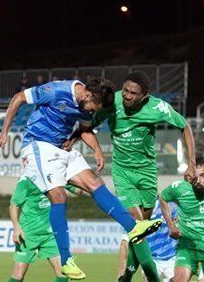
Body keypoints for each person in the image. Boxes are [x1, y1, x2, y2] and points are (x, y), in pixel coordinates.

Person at [0, 78, 162, 280]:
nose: (91, 111)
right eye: (93, 106)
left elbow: (84, 129)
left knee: (96, 183)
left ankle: (133, 227)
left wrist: (97, 150)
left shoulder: (89, 108)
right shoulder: (56, 91)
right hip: (37, 146)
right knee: (59, 196)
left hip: (62, 149)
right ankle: (66, 261)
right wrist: (4, 132)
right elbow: (19, 98)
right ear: (89, 95)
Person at [73, 71, 196, 282]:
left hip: (147, 172)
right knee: (137, 226)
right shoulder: (112, 102)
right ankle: (152, 277)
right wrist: (74, 142)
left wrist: (192, 162)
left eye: (133, 93)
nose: (127, 96)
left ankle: (128, 273)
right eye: (126, 90)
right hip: (122, 172)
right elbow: (86, 127)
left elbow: (184, 125)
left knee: (140, 234)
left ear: (145, 96)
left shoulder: (156, 108)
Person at [8, 175, 84, 282]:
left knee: (63, 273)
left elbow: (78, 191)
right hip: (28, 234)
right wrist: (16, 228)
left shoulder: (55, 175)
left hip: (51, 234)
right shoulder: (25, 180)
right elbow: (13, 205)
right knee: (18, 275)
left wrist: (76, 175)